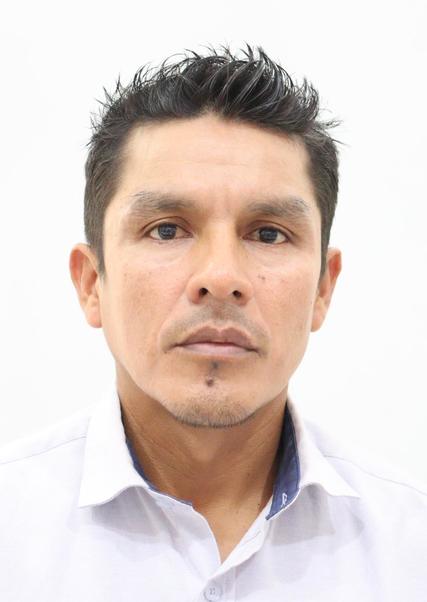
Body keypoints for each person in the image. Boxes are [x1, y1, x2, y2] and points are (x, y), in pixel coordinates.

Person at [0, 45, 425, 602]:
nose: (221, 278)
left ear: (323, 288)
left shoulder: (411, 546)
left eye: (268, 233)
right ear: (91, 283)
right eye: (167, 229)